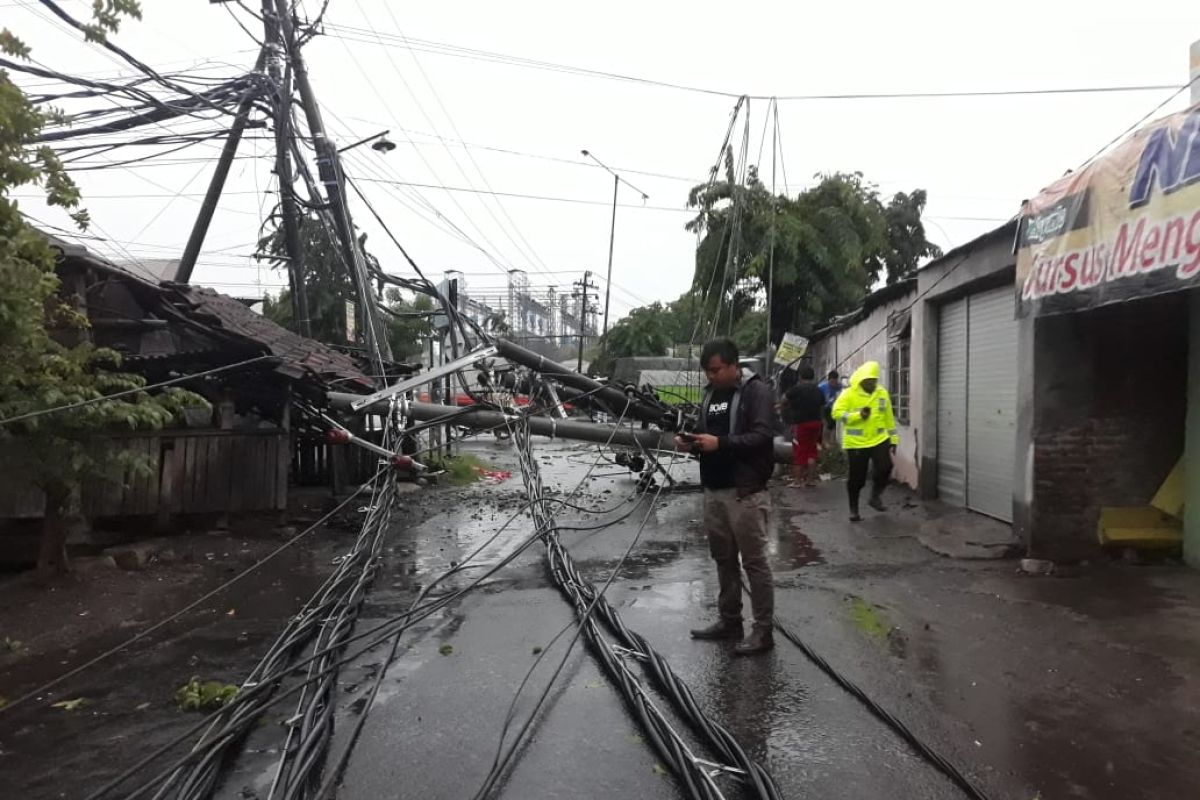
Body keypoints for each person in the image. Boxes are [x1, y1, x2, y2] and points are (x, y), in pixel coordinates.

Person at [675, 338, 776, 655]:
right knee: (724, 560)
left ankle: (763, 631)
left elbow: (762, 437)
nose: (711, 376)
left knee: (755, 563)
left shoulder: (755, 392)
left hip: (744, 491)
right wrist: (691, 442)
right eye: (707, 371)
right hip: (715, 489)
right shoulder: (710, 395)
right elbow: (707, 434)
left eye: (717, 370)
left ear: (734, 366)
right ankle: (730, 620)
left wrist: (722, 443)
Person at [831, 361, 898, 522]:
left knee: (886, 467)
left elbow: (888, 417)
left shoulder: (881, 393)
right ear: (861, 380)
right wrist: (858, 416)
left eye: (874, 380)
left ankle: (875, 496)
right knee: (857, 478)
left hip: (879, 439)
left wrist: (893, 438)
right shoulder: (849, 394)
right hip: (856, 442)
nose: (871, 383)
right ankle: (853, 509)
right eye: (868, 381)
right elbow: (836, 413)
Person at [781, 366, 824, 487]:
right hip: (816, 424)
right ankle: (810, 481)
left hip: (801, 425)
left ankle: (797, 481)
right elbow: (822, 405)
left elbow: (784, 399)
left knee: (799, 452)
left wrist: (786, 407)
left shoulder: (796, 389)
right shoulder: (818, 390)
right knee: (812, 451)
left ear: (800, 377)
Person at [817, 370, 842, 447]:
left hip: (833, 408)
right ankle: (824, 441)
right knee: (825, 424)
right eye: (831, 382)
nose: (833, 384)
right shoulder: (821, 387)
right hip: (823, 407)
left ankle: (832, 442)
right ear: (828, 380)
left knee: (833, 425)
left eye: (835, 382)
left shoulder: (839, 386)